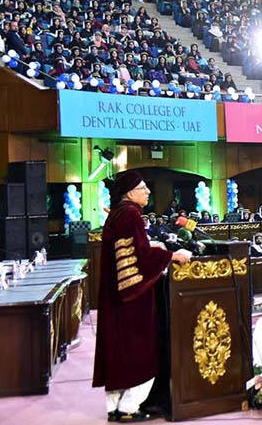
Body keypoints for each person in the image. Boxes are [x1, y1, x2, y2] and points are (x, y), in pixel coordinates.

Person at [93, 171, 192, 423]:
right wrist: (172, 256)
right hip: (132, 299)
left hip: (115, 295)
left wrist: (153, 247)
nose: (148, 192)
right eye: (143, 188)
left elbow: (130, 251)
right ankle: (128, 408)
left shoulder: (117, 213)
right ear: (129, 192)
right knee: (140, 350)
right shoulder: (131, 215)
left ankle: (115, 406)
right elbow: (139, 258)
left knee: (119, 350)